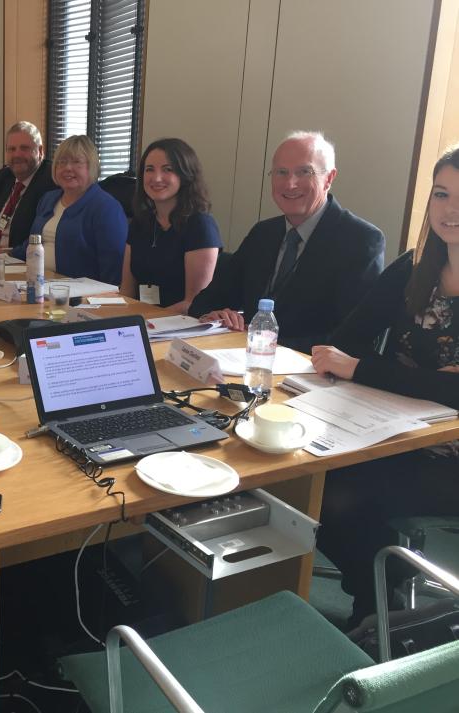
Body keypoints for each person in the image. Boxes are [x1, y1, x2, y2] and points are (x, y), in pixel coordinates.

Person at [312, 147, 459, 626]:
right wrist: (426, 382)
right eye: (441, 194)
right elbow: (342, 343)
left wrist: (372, 370)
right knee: (308, 481)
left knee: (340, 495)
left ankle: (376, 608)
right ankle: (380, 589)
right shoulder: (415, 266)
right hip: (391, 429)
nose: (450, 210)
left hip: (447, 457)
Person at [188, 130, 385, 353]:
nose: (290, 184)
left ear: (329, 178)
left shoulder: (360, 241)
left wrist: (266, 345)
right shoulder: (263, 234)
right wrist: (214, 316)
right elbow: (203, 303)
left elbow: (353, 339)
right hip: (246, 363)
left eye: (304, 172)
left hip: (311, 374)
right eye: (281, 172)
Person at [119, 138, 222, 314]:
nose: (156, 178)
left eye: (168, 170)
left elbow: (193, 304)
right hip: (144, 321)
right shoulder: (140, 223)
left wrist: (148, 320)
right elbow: (127, 291)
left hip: (181, 327)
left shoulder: (200, 225)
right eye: (149, 169)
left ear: (185, 175)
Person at [11, 135, 127, 285]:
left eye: (76, 162)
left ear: (90, 166)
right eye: (62, 162)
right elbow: (34, 242)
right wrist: (8, 253)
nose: (67, 168)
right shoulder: (48, 199)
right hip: (36, 283)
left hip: (77, 294)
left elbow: (114, 268)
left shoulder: (106, 208)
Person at [0, 120, 57, 251]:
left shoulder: (51, 181)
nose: (17, 155)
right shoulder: (4, 177)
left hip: (21, 260)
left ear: (40, 151)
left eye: (24, 148)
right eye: (11, 149)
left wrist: (11, 252)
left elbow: (42, 235)